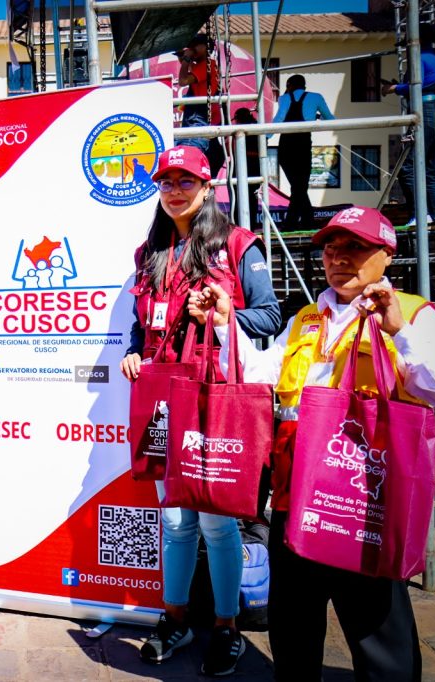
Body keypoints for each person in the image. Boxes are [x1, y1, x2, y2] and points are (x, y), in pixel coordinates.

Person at [189, 206, 435, 682]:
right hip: (295, 498)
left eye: (355, 247)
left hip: (364, 504)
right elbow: (258, 374)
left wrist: (400, 334)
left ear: (387, 254)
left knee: (379, 638)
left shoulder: (414, 314)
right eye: (331, 248)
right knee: (293, 631)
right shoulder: (306, 318)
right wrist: (227, 324)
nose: (339, 258)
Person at [119, 145, 281, 676]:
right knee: (174, 521)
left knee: (215, 522)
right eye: (165, 182)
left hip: (213, 398)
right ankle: (176, 619)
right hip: (163, 399)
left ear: (208, 187)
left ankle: (226, 628)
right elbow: (142, 322)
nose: (174, 191)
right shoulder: (149, 251)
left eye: (185, 181)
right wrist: (134, 351)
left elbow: (270, 316)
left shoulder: (237, 244)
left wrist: (224, 316)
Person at [386, 22, 435, 226]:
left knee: (407, 167)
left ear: (418, 40)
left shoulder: (421, 57)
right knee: (431, 169)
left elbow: (417, 84)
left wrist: (394, 88)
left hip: (427, 113)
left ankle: (420, 214)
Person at [272, 75, 335, 230]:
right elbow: (330, 119)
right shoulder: (316, 97)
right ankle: (300, 222)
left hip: (286, 146)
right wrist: (317, 116)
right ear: (304, 86)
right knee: (300, 187)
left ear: (289, 86)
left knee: (297, 187)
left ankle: (300, 221)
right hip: (303, 145)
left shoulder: (284, 99)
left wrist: (265, 137)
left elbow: (279, 119)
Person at [177, 33, 226, 178]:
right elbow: (187, 68)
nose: (192, 49)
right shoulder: (202, 65)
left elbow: (183, 81)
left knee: (187, 160)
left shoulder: (207, 65)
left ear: (205, 47)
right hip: (199, 118)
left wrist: (187, 58)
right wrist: (184, 57)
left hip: (198, 119)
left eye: (195, 46)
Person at [232, 107, 262, 232]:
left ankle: (239, 228)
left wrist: (241, 154)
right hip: (254, 168)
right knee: (251, 200)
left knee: (239, 199)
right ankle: (249, 228)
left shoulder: (247, 129)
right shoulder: (257, 128)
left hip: (246, 167)